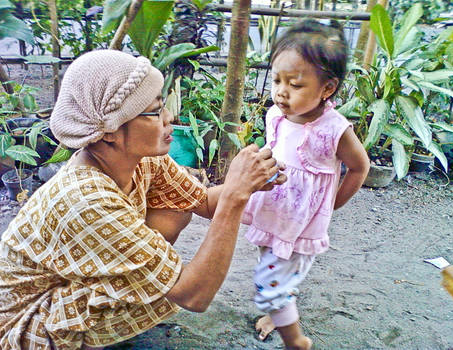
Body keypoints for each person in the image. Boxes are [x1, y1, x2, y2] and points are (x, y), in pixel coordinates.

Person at [0, 49, 286, 350]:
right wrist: (235, 196)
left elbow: (201, 202)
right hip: (24, 324)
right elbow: (193, 296)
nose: (169, 117)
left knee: (176, 209)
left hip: (65, 285)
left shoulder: (135, 158)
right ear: (110, 131)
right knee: (169, 283)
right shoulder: (86, 201)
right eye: (155, 111)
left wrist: (249, 184)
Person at [241, 20, 370, 350]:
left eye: (295, 84)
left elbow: (360, 166)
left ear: (327, 89)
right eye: (277, 80)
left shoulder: (334, 129)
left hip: (301, 223)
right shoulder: (276, 115)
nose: (281, 91)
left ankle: (297, 341)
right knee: (269, 262)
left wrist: (333, 204)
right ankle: (279, 310)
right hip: (273, 210)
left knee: (271, 281)